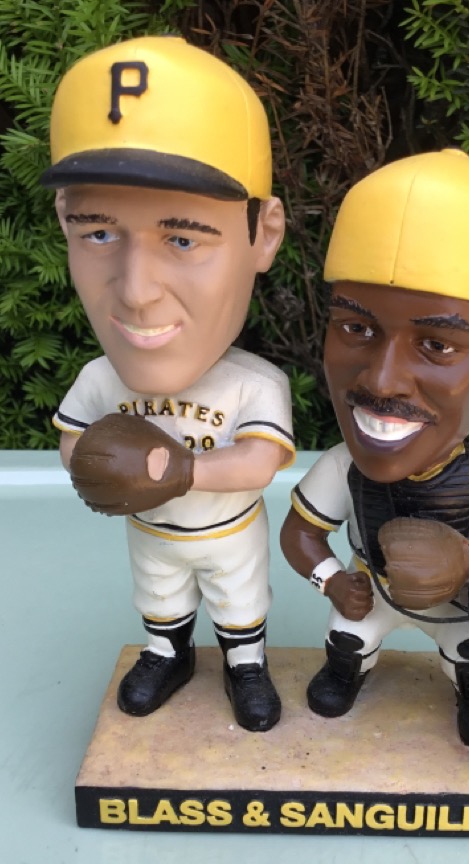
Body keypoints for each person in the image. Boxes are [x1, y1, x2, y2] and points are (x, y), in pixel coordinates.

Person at [44, 36, 294, 732]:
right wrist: (98, 464)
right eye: (98, 233)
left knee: (239, 605)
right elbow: (72, 440)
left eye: (183, 238)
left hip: (227, 530)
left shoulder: (252, 383)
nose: (136, 291)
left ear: (265, 235)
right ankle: (168, 655)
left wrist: (178, 469)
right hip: (150, 530)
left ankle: (246, 665)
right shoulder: (100, 379)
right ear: (63, 221)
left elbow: (261, 460)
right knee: (159, 601)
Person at [280, 149, 469, 749]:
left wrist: (467, 563)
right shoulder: (343, 466)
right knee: (348, 638)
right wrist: (331, 581)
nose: (381, 380)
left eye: (438, 345)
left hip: (454, 605)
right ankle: (345, 672)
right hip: (371, 586)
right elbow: (301, 534)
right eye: (357, 328)